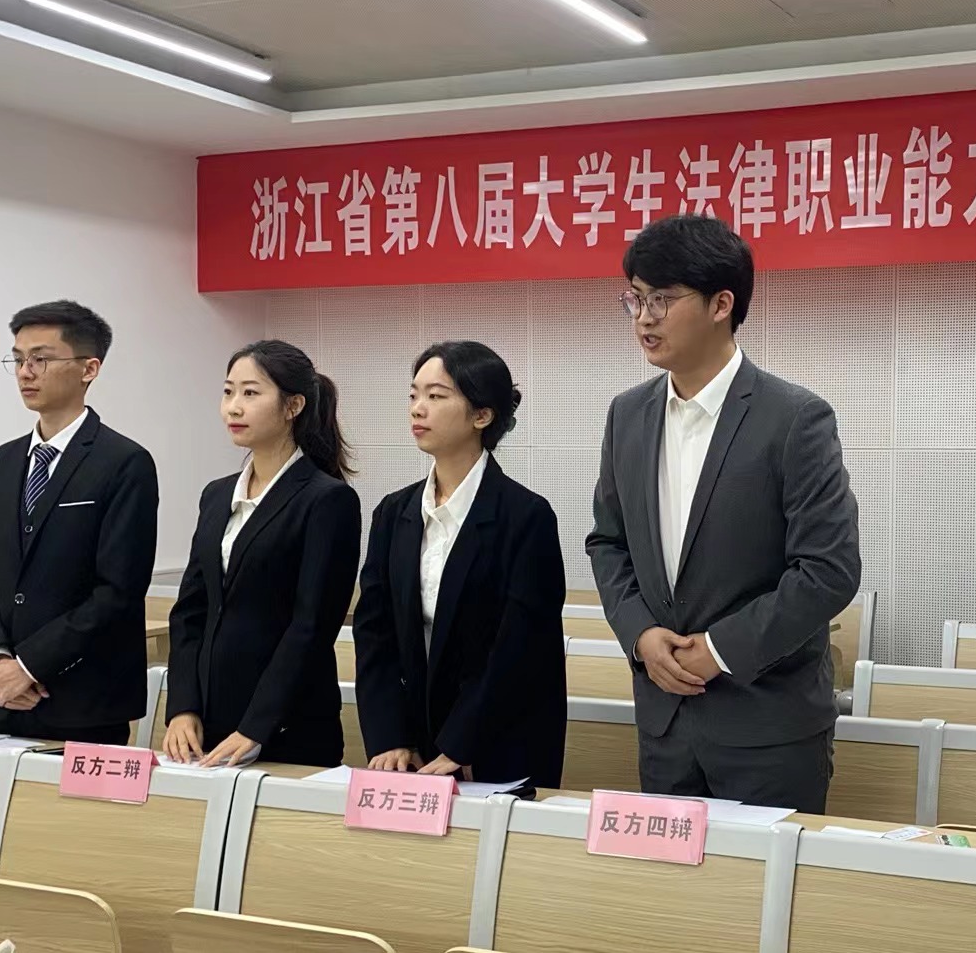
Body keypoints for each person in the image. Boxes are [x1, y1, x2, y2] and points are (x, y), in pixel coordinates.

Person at [587, 214, 861, 813]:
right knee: (668, 877)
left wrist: (720, 649)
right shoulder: (626, 416)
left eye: (662, 298)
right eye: (635, 298)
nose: (644, 317)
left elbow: (828, 571)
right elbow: (608, 543)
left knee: (767, 877)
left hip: (767, 727)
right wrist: (640, 634)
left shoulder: (795, 418)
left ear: (721, 304)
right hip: (665, 722)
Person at [352, 340, 565, 788]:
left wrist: (462, 744)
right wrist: (390, 736)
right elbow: (374, 633)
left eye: (436, 395)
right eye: (413, 395)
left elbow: (519, 648)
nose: (417, 408)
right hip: (411, 746)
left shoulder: (526, 516)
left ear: (481, 415)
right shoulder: (393, 512)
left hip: (498, 741)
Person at [0, 301, 159, 744]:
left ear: (89, 368)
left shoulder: (124, 462)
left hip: (86, 701)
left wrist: (29, 666)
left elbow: (118, 591)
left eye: (41, 359)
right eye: (18, 359)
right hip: (7, 697)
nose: (25, 372)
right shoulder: (2, 462)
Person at [162, 341, 361, 767]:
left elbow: (311, 626)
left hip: (288, 728)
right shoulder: (216, 495)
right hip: (207, 726)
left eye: (251, 393)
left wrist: (257, 726)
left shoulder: (327, 500)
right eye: (228, 392)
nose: (233, 407)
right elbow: (191, 611)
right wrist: (182, 707)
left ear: (293, 406)